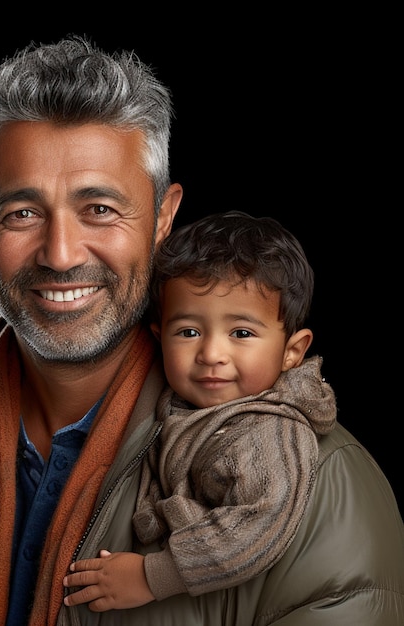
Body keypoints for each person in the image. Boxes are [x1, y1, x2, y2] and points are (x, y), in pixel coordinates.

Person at [0, 35, 404, 626]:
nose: (62, 254)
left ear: (163, 219)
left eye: (99, 208)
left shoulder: (319, 488)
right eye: (21, 213)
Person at [63, 210, 337, 609]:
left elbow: (259, 527)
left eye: (241, 333)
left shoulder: (272, 431)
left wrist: (151, 576)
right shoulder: (171, 401)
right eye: (188, 332)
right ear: (159, 338)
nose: (211, 354)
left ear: (292, 352)